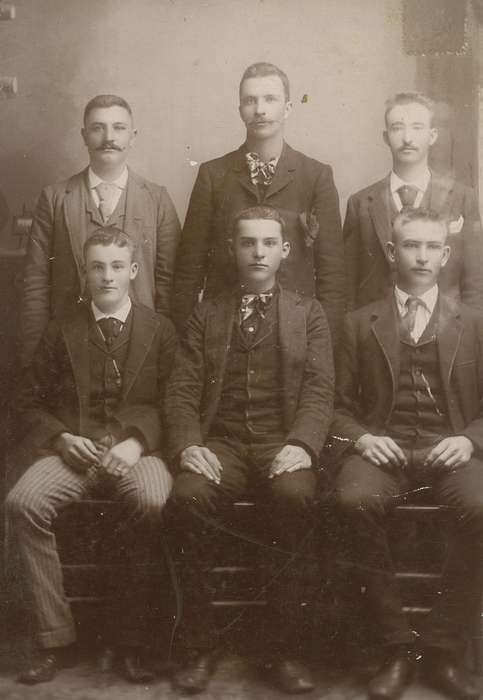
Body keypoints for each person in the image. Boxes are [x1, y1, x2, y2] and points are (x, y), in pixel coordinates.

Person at [164, 205, 334, 694]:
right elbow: (181, 389)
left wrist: (302, 443)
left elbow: (320, 389)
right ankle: (199, 646)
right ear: (232, 249)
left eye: (267, 243)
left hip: (283, 441)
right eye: (247, 242)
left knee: (296, 498)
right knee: (188, 499)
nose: (258, 252)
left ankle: (284, 650)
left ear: (285, 250)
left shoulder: (309, 313)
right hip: (222, 444)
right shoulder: (207, 311)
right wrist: (189, 445)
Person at [6, 229, 176, 685]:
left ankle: (130, 640)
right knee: (23, 503)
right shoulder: (62, 328)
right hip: (73, 452)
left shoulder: (160, 329)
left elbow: (174, 402)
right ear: (85, 271)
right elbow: (27, 402)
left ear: (133, 272)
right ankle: (55, 638)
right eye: (97, 267)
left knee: (153, 500)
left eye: (117, 266)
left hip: (136, 451)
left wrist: (136, 440)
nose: (107, 276)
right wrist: (62, 438)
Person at [332, 207, 483, 700]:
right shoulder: (358, 323)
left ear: (445, 254)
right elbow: (332, 406)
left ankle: (441, 649)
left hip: (451, 449)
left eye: (431, 247)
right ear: (393, 252)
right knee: (353, 503)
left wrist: (469, 439)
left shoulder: (474, 324)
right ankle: (394, 647)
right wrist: (362, 438)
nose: (421, 256)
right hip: (384, 450)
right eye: (410, 246)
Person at [173, 62, 344, 343]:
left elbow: (333, 275)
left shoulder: (316, 176)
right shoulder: (213, 175)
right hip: (225, 331)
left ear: (287, 107)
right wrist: (189, 340)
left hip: (295, 330)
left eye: (270, 99)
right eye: (250, 100)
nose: (260, 109)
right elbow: (189, 271)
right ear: (240, 109)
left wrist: (325, 345)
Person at [19, 94, 180, 368]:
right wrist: (33, 359)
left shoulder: (157, 199)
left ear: (133, 135)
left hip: (139, 351)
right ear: (84, 135)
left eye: (118, 127)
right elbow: (36, 283)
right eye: (97, 128)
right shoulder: (55, 198)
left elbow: (169, 284)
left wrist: (161, 350)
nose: (109, 137)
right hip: (69, 348)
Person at [344, 92, 483, 312]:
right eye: (398, 127)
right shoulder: (360, 204)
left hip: (445, 331)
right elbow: (348, 284)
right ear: (385, 136)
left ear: (432, 135)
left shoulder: (462, 197)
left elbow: (475, 283)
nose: (407, 138)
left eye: (417, 127)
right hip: (376, 334)